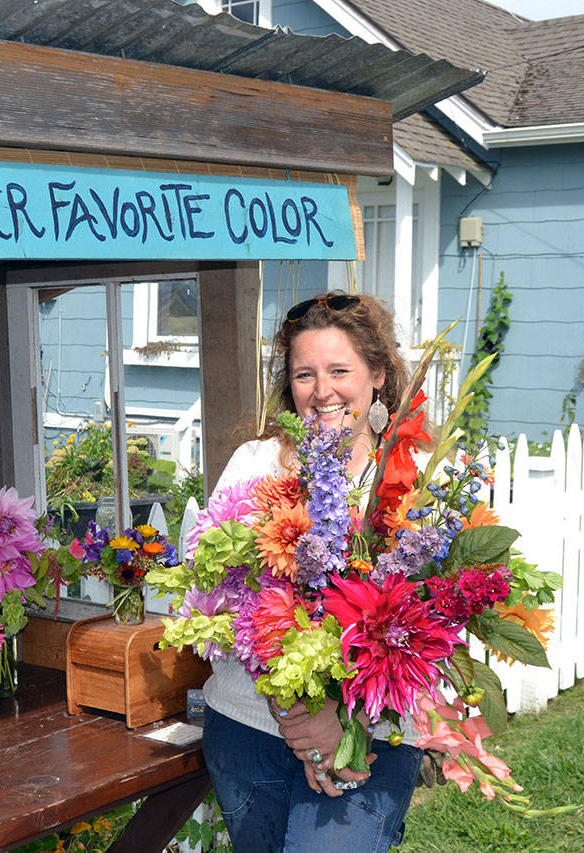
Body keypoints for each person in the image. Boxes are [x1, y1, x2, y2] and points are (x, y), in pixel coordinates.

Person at [201, 291, 425, 852]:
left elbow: (433, 626)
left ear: (378, 374)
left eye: (339, 370)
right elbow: (214, 595)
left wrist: (340, 719)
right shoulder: (255, 466)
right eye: (305, 374)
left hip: (373, 736)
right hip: (250, 728)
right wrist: (300, 714)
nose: (322, 390)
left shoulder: (416, 479)